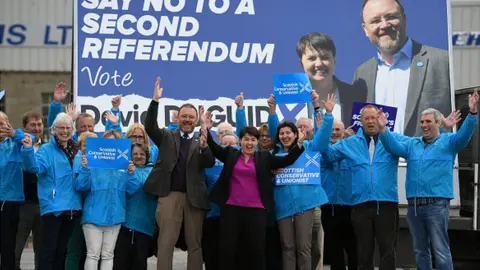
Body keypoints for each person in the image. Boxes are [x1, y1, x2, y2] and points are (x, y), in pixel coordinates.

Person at [377, 89, 479, 270]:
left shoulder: (449, 142)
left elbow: (465, 135)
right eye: (422, 122)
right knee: (420, 251)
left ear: (438, 123)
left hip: (436, 206)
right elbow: (392, 146)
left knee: (440, 250)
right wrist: (383, 130)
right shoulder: (412, 144)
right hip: (414, 206)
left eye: (428, 121)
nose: (424, 125)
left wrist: (472, 113)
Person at [201, 105, 307, 270]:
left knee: (256, 250)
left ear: (256, 142)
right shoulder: (230, 154)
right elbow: (214, 148)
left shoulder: (264, 157)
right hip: (231, 208)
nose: (249, 143)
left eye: (253, 140)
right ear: (240, 140)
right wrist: (206, 128)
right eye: (246, 139)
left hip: (256, 211)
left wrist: (300, 143)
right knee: (227, 249)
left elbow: (287, 160)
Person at [143, 77, 215, 270]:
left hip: (195, 199)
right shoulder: (167, 136)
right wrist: (155, 101)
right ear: (178, 117)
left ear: (196, 120)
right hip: (169, 196)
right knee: (165, 243)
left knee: (195, 244)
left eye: (191, 117)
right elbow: (149, 126)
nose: (187, 120)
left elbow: (209, 162)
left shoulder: (202, 139)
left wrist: (206, 145)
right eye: (184, 116)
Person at [354, 0, 451, 136]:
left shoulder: (443, 61)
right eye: (375, 20)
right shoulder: (362, 74)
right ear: (365, 29)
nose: (384, 25)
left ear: (404, 19)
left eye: (391, 17)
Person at [271, 93, 335, 270]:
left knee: (304, 247)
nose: (285, 136)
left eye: (288, 133)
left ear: (295, 134)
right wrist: (272, 111)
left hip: (306, 204)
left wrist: (325, 112)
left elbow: (322, 136)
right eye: (281, 133)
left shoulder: (310, 148)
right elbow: (271, 129)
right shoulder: (274, 155)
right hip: (283, 205)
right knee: (287, 247)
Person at [76, 130, 139, 270]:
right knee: (93, 255)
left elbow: (132, 189)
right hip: (93, 218)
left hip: (114, 218)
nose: (111, 145)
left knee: (108, 255)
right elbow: (81, 186)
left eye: (114, 142)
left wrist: (131, 174)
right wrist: (85, 169)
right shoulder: (92, 163)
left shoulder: (123, 167)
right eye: (108, 142)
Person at [29, 112, 83, 270]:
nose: (65, 131)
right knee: (48, 250)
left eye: (68, 127)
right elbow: (34, 167)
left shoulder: (77, 151)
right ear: (53, 130)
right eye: (61, 128)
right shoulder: (46, 150)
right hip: (54, 207)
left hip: (72, 207)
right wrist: (27, 150)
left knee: (62, 251)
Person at [296, 32, 367, 127]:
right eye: (312, 58)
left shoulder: (356, 97)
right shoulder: (289, 99)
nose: (319, 64)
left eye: (325, 57)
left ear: (334, 61)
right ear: (302, 64)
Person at [0, 111, 36, 270]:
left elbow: (31, 139)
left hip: (11, 201)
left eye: (6, 122)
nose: (4, 126)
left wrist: (14, 133)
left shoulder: (15, 143)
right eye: (0, 123)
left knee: (8, 246)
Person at [320, 119, 358, 270]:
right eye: (332, 130)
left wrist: (349, 141)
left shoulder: (352, 149)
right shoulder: (323, 152)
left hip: (351, 205)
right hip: (329, 206)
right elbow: (324, 150)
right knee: (334, 249)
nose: (334, 133)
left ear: (344, 132)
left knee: (354, 248)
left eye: (338, 130)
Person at [114, 143, 158, 270]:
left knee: (139, 264)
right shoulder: (125, 171)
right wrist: (131, 174)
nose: (138, 156)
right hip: (125, 225)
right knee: (120, 264)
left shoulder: (154, 171)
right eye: (135, 154)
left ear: (147, 156)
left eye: (142, 154)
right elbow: (128, 190)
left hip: (145, 227)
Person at [202, 131, 239, 270]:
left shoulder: (245, 164)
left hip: (235, 216)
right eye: (225, 144)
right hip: (213, 215)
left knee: (232, 254)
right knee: (212, 254)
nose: (229, 147)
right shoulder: (210, 164)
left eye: (232, 144)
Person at [15, 111, 45, 270]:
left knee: (42, 252)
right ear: (24, 127)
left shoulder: (46, 147)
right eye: (32, 125)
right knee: (15, 250)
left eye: (39, 124)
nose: (36, 128)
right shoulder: (16, 145)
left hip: (43, 205)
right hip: (22, 204)